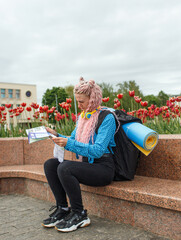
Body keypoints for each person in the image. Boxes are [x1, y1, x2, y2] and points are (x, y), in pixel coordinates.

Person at [42, 77, 117, 233]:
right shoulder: (83, 117)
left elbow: (98, 150)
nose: (79, 105)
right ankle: (63, 208)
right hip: (87, 165)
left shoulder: (107, 118)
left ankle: (79, 214)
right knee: (50, 165)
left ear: (93, 99)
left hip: (103, 168)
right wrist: (56, 134)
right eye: (77, 101)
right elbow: (73, 139)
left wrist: (68, 143)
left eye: (82, 101)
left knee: (65, 168)